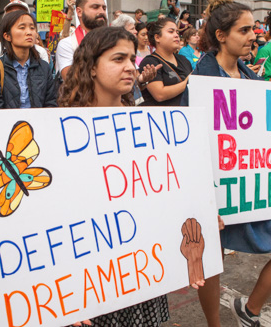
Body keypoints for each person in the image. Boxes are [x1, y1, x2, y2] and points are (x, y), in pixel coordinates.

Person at [59, 25, 203, 326]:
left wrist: (199, 214)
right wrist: (69, 296)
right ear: (92, 67)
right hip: (93, 278)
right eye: (118, 59)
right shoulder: (63, 131)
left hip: (139, 274)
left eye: (132, 58)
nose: (130, 67)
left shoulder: (146, 126)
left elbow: (162, 191)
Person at [193, 0, 271, 327]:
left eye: (254, 29)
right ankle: (214, 324)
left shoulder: (251, 77)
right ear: (222, 35)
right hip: (216, 186)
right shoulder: (199, 79)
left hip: (252, 182)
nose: (254, 36)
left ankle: (250, 311)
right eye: (245, 30)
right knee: (212, 261)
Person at [0, 10, 56, 108]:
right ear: (7, 36)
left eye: (32, 28)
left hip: (39, 122)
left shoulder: (43, 67)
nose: (29, 32)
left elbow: (51, 103)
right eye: (22, 28)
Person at [0, 0, 48, 69]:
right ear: (6, 35)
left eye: (31, 27)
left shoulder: (41, 52)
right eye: (11, 13)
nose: (16, 16)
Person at [56, 0, 107, 80]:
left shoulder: (114, 41)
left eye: (104, 8)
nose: (102, 12)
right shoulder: (67, 44)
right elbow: (71, 81)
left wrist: (141, 80)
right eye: (95, 7)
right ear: (79, 12)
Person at [138, 17, 192, 106]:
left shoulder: (184, 60)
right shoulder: (150, 61)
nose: (176, 35)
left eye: (177, 32)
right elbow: (159, 95)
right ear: (157, 37)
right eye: (171, 31)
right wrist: (188, 82)